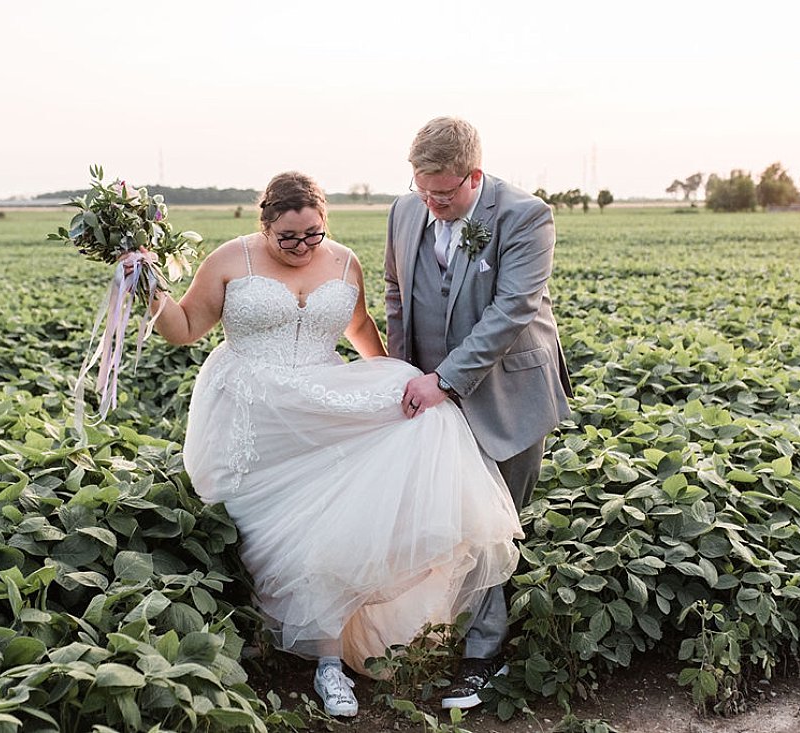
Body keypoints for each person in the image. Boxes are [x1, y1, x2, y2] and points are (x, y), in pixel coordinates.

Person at [145, 171, 522, 717]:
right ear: (265, 224)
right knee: (264, 533)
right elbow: (182, 328)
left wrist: (399, 384)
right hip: (251, 413)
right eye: (288, 238)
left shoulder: (344, 261)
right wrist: (148, 287)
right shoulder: (231, 259)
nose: (302, 247)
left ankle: (328, 664)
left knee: (331, 525)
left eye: (313, 235)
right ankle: (251, 644)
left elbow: (361, 327)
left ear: (326, 223)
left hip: (318, 409)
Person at [384, 117, 573, 710]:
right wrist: (402, 372)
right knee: (442, 517)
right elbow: (396, 293)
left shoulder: (525, 216)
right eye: (424, 191)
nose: (433, 205)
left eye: (444, 195)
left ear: (475, 176)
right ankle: (440, 631)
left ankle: (481, 659)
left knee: (493, 526)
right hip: (428, 393)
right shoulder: (404, 211)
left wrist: (448, 379)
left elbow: (510, 312)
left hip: (505, 396)